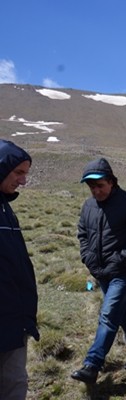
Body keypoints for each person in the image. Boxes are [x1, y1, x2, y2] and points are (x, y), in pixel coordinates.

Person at [71, 157, 126, 384]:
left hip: (124, 271)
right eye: (92, 187)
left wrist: (123, 257)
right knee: (120, 312)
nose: (96, 191)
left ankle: (92, 364)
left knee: (108, 314)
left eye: (100, 185)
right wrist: (87, 258)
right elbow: (82, 234)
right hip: (100, 271)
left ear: (112, 182)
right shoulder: (88, 206)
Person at [0, 140, 39, 400]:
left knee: (15, 384)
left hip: (14, 322)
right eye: (18, 173)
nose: (23, 181)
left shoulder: (6, 210)